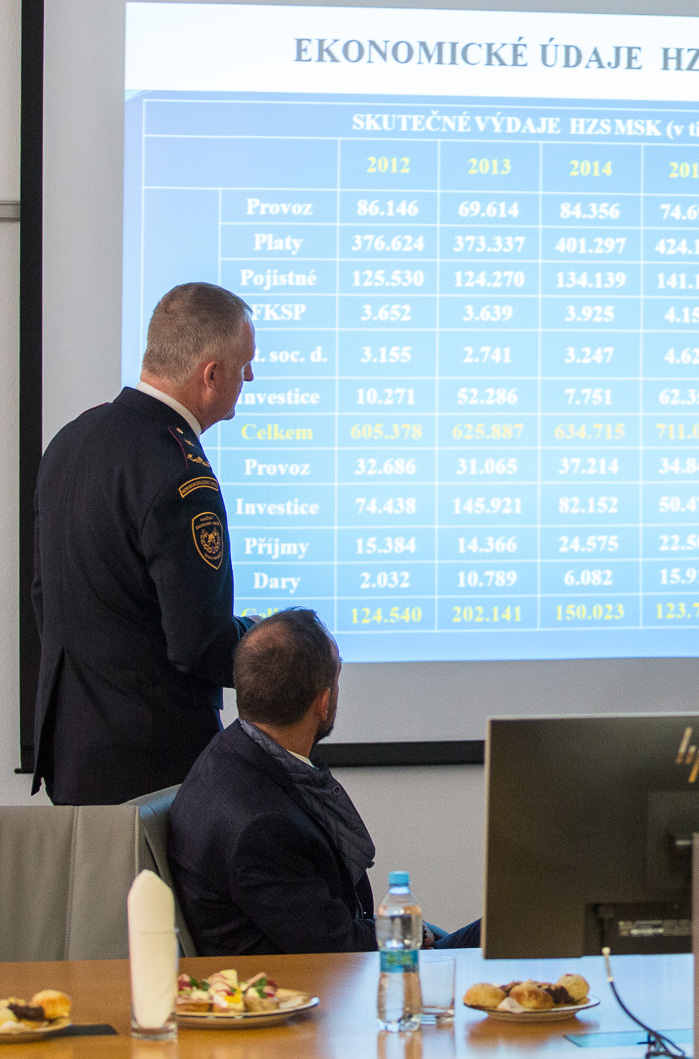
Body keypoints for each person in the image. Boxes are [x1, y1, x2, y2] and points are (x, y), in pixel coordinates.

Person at [31, 282, 258, 804]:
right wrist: (265, 641)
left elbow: (45, 597)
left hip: (72, 755)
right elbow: (198, 641)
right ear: (210, 375)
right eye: (244, 365)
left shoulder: (70, 440)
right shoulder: (179, 470)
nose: (249, 378)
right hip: (152, 768)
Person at [168, 609, 480, 955]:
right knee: (510, 926)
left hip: (328, 955)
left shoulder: (226, 754)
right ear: (324, 702)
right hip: (324, 980)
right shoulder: (263, 829)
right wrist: (411, 933)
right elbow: (337, 946)